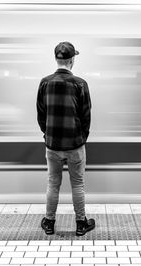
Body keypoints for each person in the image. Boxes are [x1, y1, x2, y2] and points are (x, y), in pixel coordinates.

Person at [36, 41, 95, 236]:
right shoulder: (80, 84)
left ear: (57, 59)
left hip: (52, 145)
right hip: (75, 144)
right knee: (77, 183)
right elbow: (86, 115)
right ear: (72, 61)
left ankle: (50, 223)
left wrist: (48, 135)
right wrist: (81, 138)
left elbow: (41, 114)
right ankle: (80, 224)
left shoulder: (45, 82)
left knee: (53, 183)